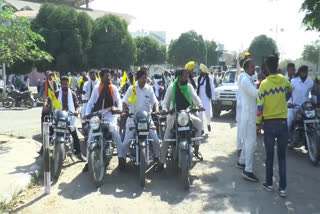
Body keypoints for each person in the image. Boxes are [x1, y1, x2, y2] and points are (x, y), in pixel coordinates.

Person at [257, 54, 292, 197]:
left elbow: (260, 107)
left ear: (266, 67)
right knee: (282, 157)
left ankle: (269, 184)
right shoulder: (284, 81)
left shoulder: (264, 84)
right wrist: (284, 100)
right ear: (277, 65)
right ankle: (283, 188)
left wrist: (258, 123)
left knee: (270, 156)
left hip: (269, 124)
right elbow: (290, 90)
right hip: (283, 123)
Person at [157, 69, 204, 171]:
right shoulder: (171, 87)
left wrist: (200, 105)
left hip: (187, 114)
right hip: (174, 114)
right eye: (185, 76)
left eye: (187, 76)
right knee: (167, 136)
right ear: (179, 77)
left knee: (199, 123)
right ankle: (161, 161)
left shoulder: (189, 86)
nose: (187, 78)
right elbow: (166, 101)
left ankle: (196, 150)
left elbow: (195, 98)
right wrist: (165, 108)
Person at [119, 67, 161, 170]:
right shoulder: (131, 88)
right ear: (138, 78)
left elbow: (155, 102)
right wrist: (124, 111)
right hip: (133, 118)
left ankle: (157, 157)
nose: (145, 79)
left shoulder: (149, 88)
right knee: (125, 142)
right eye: (143, 77)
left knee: (156, 140)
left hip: (147, 119)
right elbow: (124, 102)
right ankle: (122, 159)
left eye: (146, 77)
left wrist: (156, 110)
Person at [84, 69, 122, 171]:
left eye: (109, 76)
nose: (108, 78)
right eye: (106, 76)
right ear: (101, 78)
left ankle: (121, 159)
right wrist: (87, 114)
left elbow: (119, 101)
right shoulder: (96, 88)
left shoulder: (114, 88)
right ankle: (89, 162)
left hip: (110, 114)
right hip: (98, 115)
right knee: (90, 137)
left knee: (115, 133)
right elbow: (90, 103)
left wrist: (118, 109)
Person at [237, 57, 259, 182]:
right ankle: (248, 170)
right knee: (251, 143)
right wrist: (265, 86)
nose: (254, 69)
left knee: (247, 142)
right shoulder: (245, 79)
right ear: (246, 69)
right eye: (252, 67)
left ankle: (242, 162)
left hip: (249, 114)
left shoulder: (247, 78)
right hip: (249, 115)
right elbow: (255, 94)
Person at [56, 76, 82, 157]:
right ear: (60, 84)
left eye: (66, 84)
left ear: (68, 84)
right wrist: (47, 105)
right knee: (50, 131)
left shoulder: (73, 94)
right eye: (63, 84)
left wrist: (76, 111)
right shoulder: (57, 93)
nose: (64, 86)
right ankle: (44, 149)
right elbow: (50, 101)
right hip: (59, 116)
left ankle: (79, 153)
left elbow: (77, 105)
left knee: (74, 135)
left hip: (69, 118)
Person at [287, 65, 313, 131]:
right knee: (288, 124)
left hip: (305, 109)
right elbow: (287, 94)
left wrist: (313, 101)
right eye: (303, 72)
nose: (304, 74)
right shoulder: (293, 81)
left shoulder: (310, 82)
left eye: (306, 72)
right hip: (294, 107)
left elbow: (312, 95)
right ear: (299, 72)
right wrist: (288, 103)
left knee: (310, 124)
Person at [197, 64, 215, 134]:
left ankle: (208, 123)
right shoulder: (198, 78)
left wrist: (213, 98)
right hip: (200, 99)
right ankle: (202, 129)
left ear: (203, 71)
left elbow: (212, 88)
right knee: (200, 114)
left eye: (200, 70)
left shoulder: (209, 78)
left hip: (207, 99)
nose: (199, 71)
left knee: (208, 114)